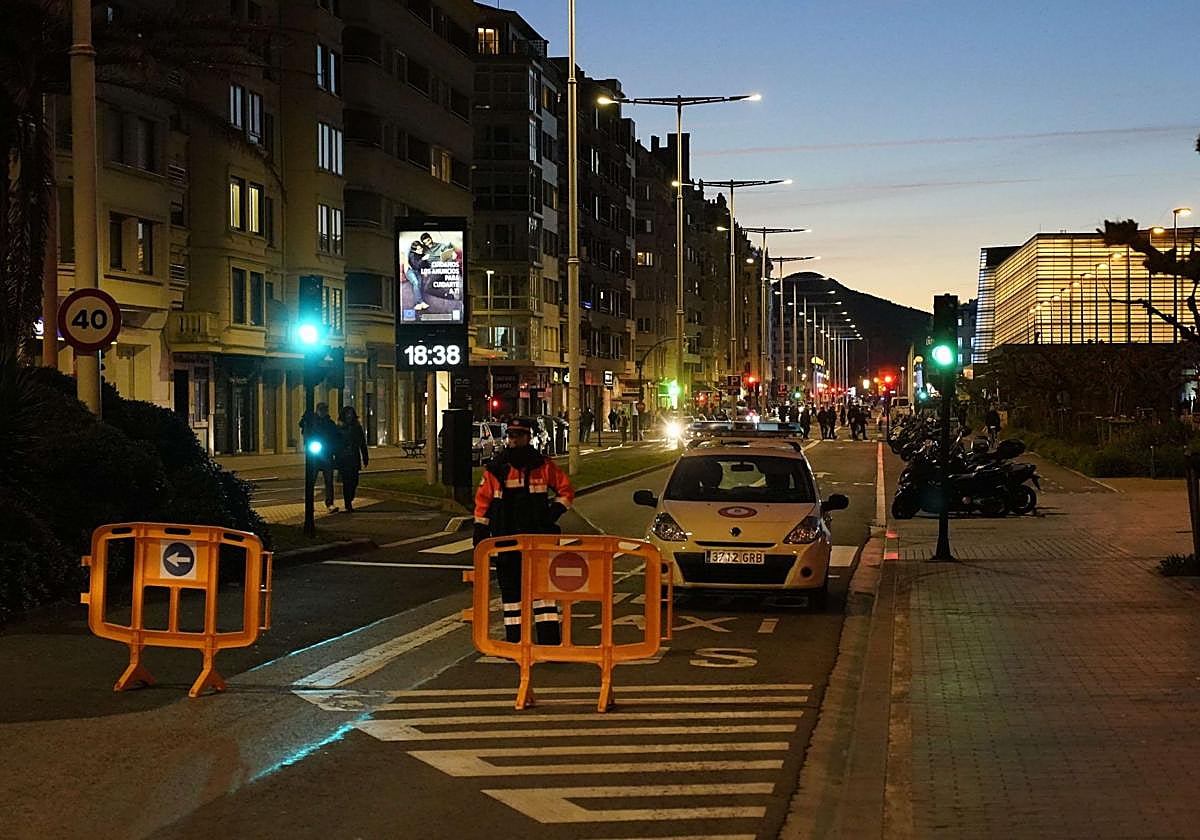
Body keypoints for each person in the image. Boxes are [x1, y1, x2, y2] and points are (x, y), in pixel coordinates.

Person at [472, 418, 575, 644]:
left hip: (539, 539)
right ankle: (515, 643)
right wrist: (480, 529)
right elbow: (483, 501)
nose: (514, 439)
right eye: (511, 435)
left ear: (528, 437)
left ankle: (548, 642)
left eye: (518, 435)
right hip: (506, 539)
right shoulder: (497, 468)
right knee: (511, 596)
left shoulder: (543, 465)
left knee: (544, 594)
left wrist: (553, 513)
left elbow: (566, 491)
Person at [299, 402, 340, 511]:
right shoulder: (311, 422)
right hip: (315, 455)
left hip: (327, 454)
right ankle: (309, 504)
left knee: (329, 481)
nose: (322, 412)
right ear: (317, 410)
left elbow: (335, 437)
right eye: (321, 410)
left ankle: (329, 503)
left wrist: (333, 450)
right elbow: (302, 425)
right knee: (311, 480)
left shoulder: (330, 423)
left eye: (324, 410)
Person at [336, 405, 369, 512]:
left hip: (354, 457)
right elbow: (335, 443)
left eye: (351, 413)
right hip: (344, 458)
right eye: (347, 414)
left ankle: (350, 498)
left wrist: (365, 457)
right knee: (346, 482)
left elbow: (362, 443)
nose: (349, 416)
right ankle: (348, 503)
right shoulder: (340, 428)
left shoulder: (357, 427)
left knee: (354, 481)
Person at [404, 240, 430, 312]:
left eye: (421, 248)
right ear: (414, 250)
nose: (420, 250)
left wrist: (425, 269)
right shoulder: (412, 255)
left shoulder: (422, 253)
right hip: (410, 271)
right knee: (415, 282)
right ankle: (420, 302)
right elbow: (415, 265)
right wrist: (422, 259)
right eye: (418, 249)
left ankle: (418, 304)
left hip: (418, 272)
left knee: (419, 284)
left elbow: (426, 265)